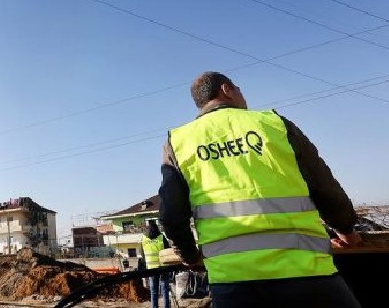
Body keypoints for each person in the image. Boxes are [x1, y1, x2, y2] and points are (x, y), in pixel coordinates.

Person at [158, 71, 362, 308]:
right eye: (239, 89)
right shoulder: (274, 124)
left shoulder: (179, 141)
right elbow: (323, 186)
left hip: (233, 282)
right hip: (307, 272)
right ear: (226, 89)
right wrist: (346, 230)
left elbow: (171, 215)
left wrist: (191, 257)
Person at [141, 220, 170, 308]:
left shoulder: (144, 239)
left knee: (153, 290)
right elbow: (168, 250)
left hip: (151, 268)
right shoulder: (161, 237)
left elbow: (142, 254)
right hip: (163, 267)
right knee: (164, 290)